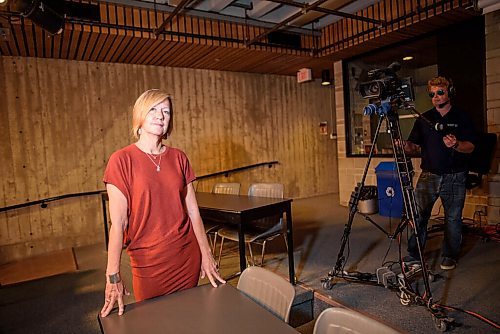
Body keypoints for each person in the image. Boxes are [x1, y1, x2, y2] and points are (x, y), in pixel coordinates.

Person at [100, 89, 225, 317]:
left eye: (166, 111)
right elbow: (117, 225)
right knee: (154, 322)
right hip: (148, 263)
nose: (160, 116)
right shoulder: (121, 160)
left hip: (186, 256)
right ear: (140, 115)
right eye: (153, 110)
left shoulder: (179, 157)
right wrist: (113, 276)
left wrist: (206, 255)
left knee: (189, 318)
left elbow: (194, 212)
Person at [403, 76, 476, 270]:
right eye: (432, 94)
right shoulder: (424, 119)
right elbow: (414, 147)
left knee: (452, 218)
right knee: (419, 215)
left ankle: (450, 255)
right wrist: (405, 145)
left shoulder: (462, 117)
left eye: (440, 92)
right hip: (429, 175)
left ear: (449, 92)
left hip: (455, 176)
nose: (436, 97)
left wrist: (457, 144)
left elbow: (470, 147)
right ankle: (414, 253)